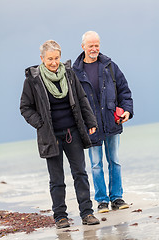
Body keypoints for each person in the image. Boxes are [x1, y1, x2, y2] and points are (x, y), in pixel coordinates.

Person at [20, 40, 100, 228]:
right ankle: (60, 217)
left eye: (56, 58)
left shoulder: (70, 75)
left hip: (73, 133)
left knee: (80, 173)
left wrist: (91, 122)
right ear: (42, 59)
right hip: (51, 136)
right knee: (57, 180)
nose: (54, 62)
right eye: (50, 59)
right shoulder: (33, 80)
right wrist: (40, 124)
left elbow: (81, 99)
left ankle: (87, 213)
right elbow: (25, 107)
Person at [73, 31, 133, 213]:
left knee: (114, 161)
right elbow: (74, 101)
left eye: (97, 45)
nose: (94, 49)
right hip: (91, 127)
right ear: (83, 46)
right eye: (90, 45)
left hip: (112, 123)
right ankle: (102, 201)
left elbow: (124, 90)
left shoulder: (110, 66)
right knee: (96, 165)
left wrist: (128, 110)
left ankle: (117, 197)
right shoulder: (75, 72)